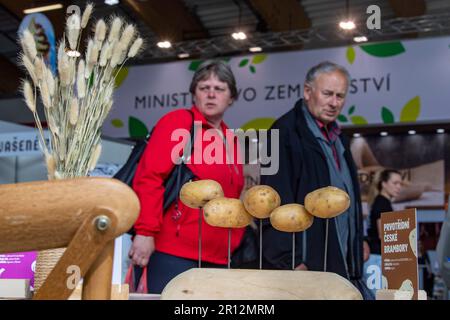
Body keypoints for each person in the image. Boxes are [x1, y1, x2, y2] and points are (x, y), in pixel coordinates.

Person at [128, 60, 245, 293]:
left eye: (219, 89)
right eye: (204, 88)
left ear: (231, 97)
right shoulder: (179, 123)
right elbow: (149, 178)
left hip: (218, 258)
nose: (211, 94)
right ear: (194, 94)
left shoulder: (231, 139)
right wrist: (145, 232)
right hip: (172, 253)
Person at [261, 61, 372, 298]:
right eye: (328, 94)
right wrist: (289, 261)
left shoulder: (338, 137)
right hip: (305, 268)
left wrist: (357, 240)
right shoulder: (280, 132)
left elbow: (347, 195)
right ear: (307, 91)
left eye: (340, 96)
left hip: (343, 263)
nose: (334, 102)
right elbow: (273, 202)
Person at [366, 169, 402, 254]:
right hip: (379, 256)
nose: (399, 187)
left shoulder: (382, 202)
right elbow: (383, 235)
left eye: (400, 184)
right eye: (395, 183)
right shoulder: (382, 203)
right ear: (384, 184)